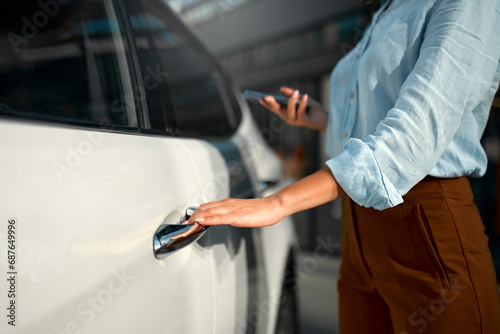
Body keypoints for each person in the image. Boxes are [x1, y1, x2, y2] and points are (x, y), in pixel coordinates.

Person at [186, 0, 500, 332]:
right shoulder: (386, 12)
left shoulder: (467, 4)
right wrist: (327, 120)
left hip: (424, 226)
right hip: (357, 237)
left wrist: (277, 203)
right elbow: (378, 126)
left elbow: (412, 139)